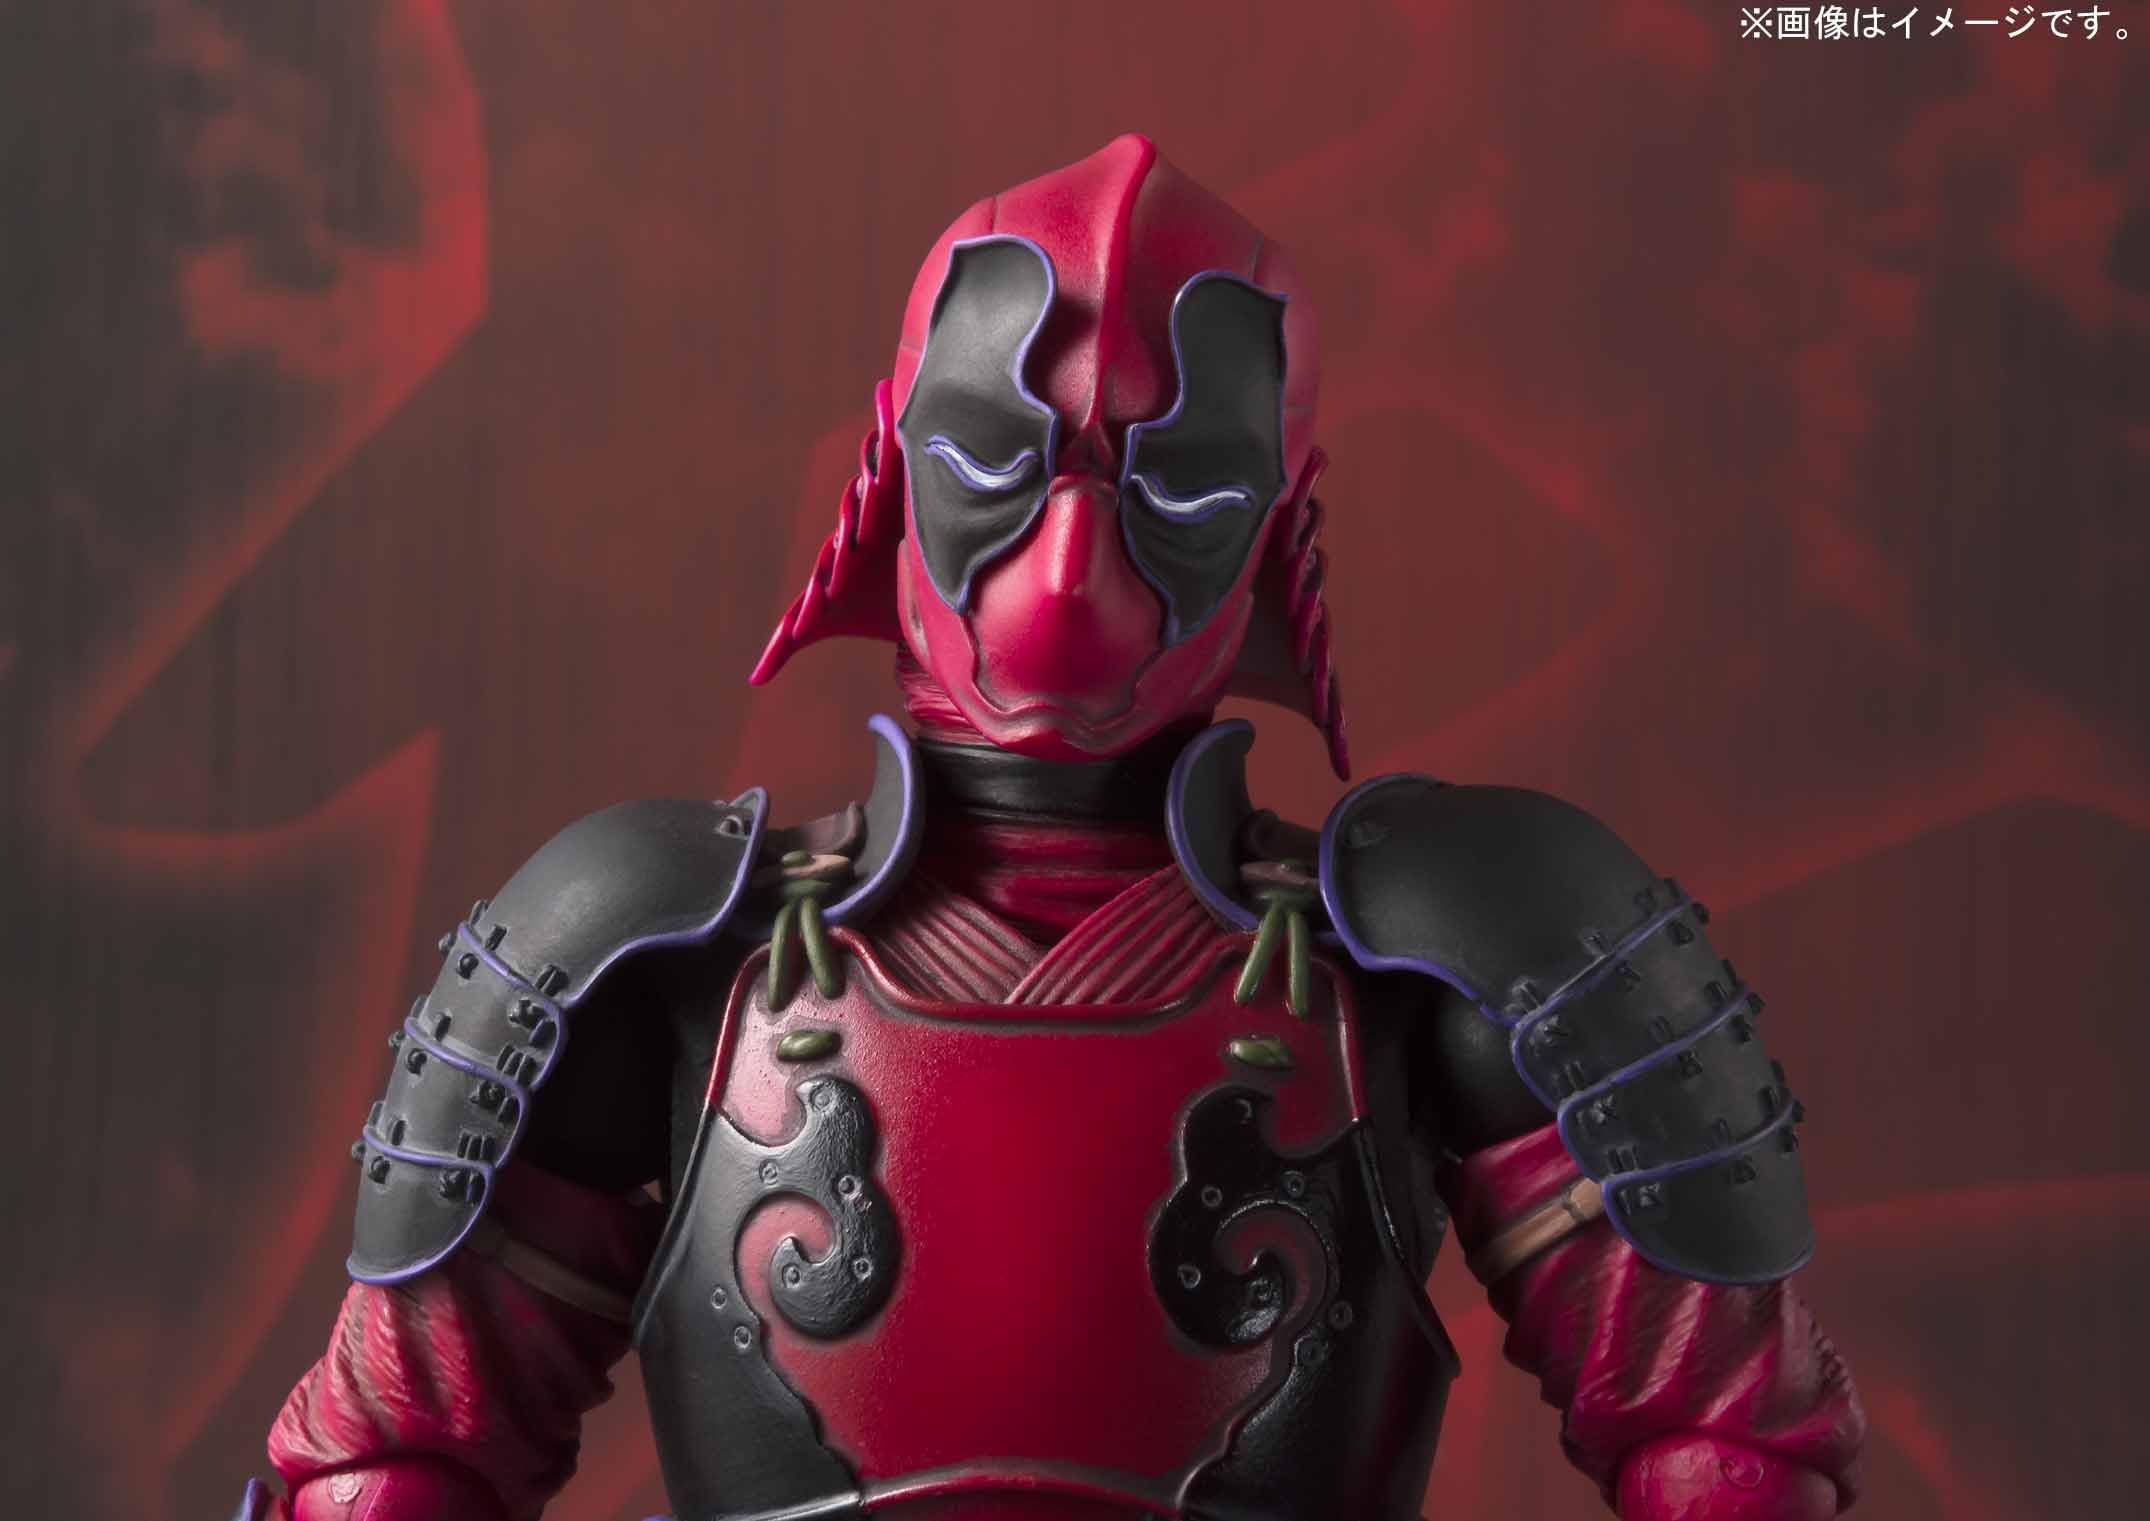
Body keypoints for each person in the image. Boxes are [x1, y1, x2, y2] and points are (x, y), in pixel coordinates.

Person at [242, 134, 1864, 1521]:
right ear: (895, 465)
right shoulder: (644, 941)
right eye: (992, 456)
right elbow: (396, 1461)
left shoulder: (1469, 945)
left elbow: (1727, 1450)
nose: (1071, 563)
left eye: (1180, 486)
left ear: (1275, 520)